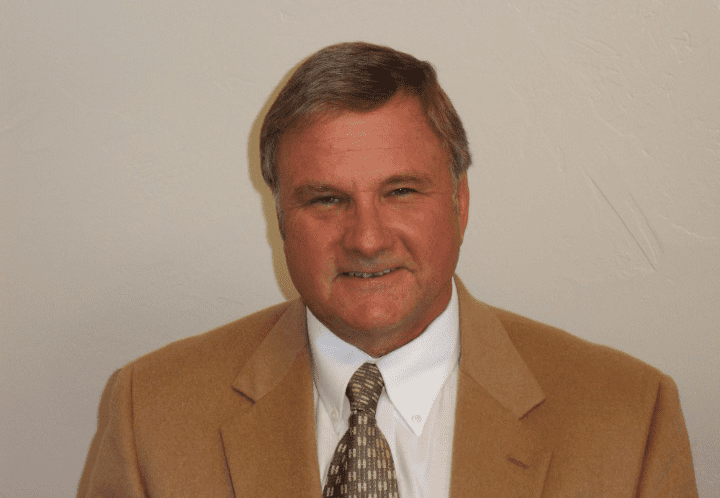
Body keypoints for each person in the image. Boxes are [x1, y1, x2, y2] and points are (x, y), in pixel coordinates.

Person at [81, 42, 697, 497]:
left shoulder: (630, 418)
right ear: (280, 218)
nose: (367, 239)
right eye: (326, 199)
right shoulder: (150, 417)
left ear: (460, 203)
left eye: (401, 192)